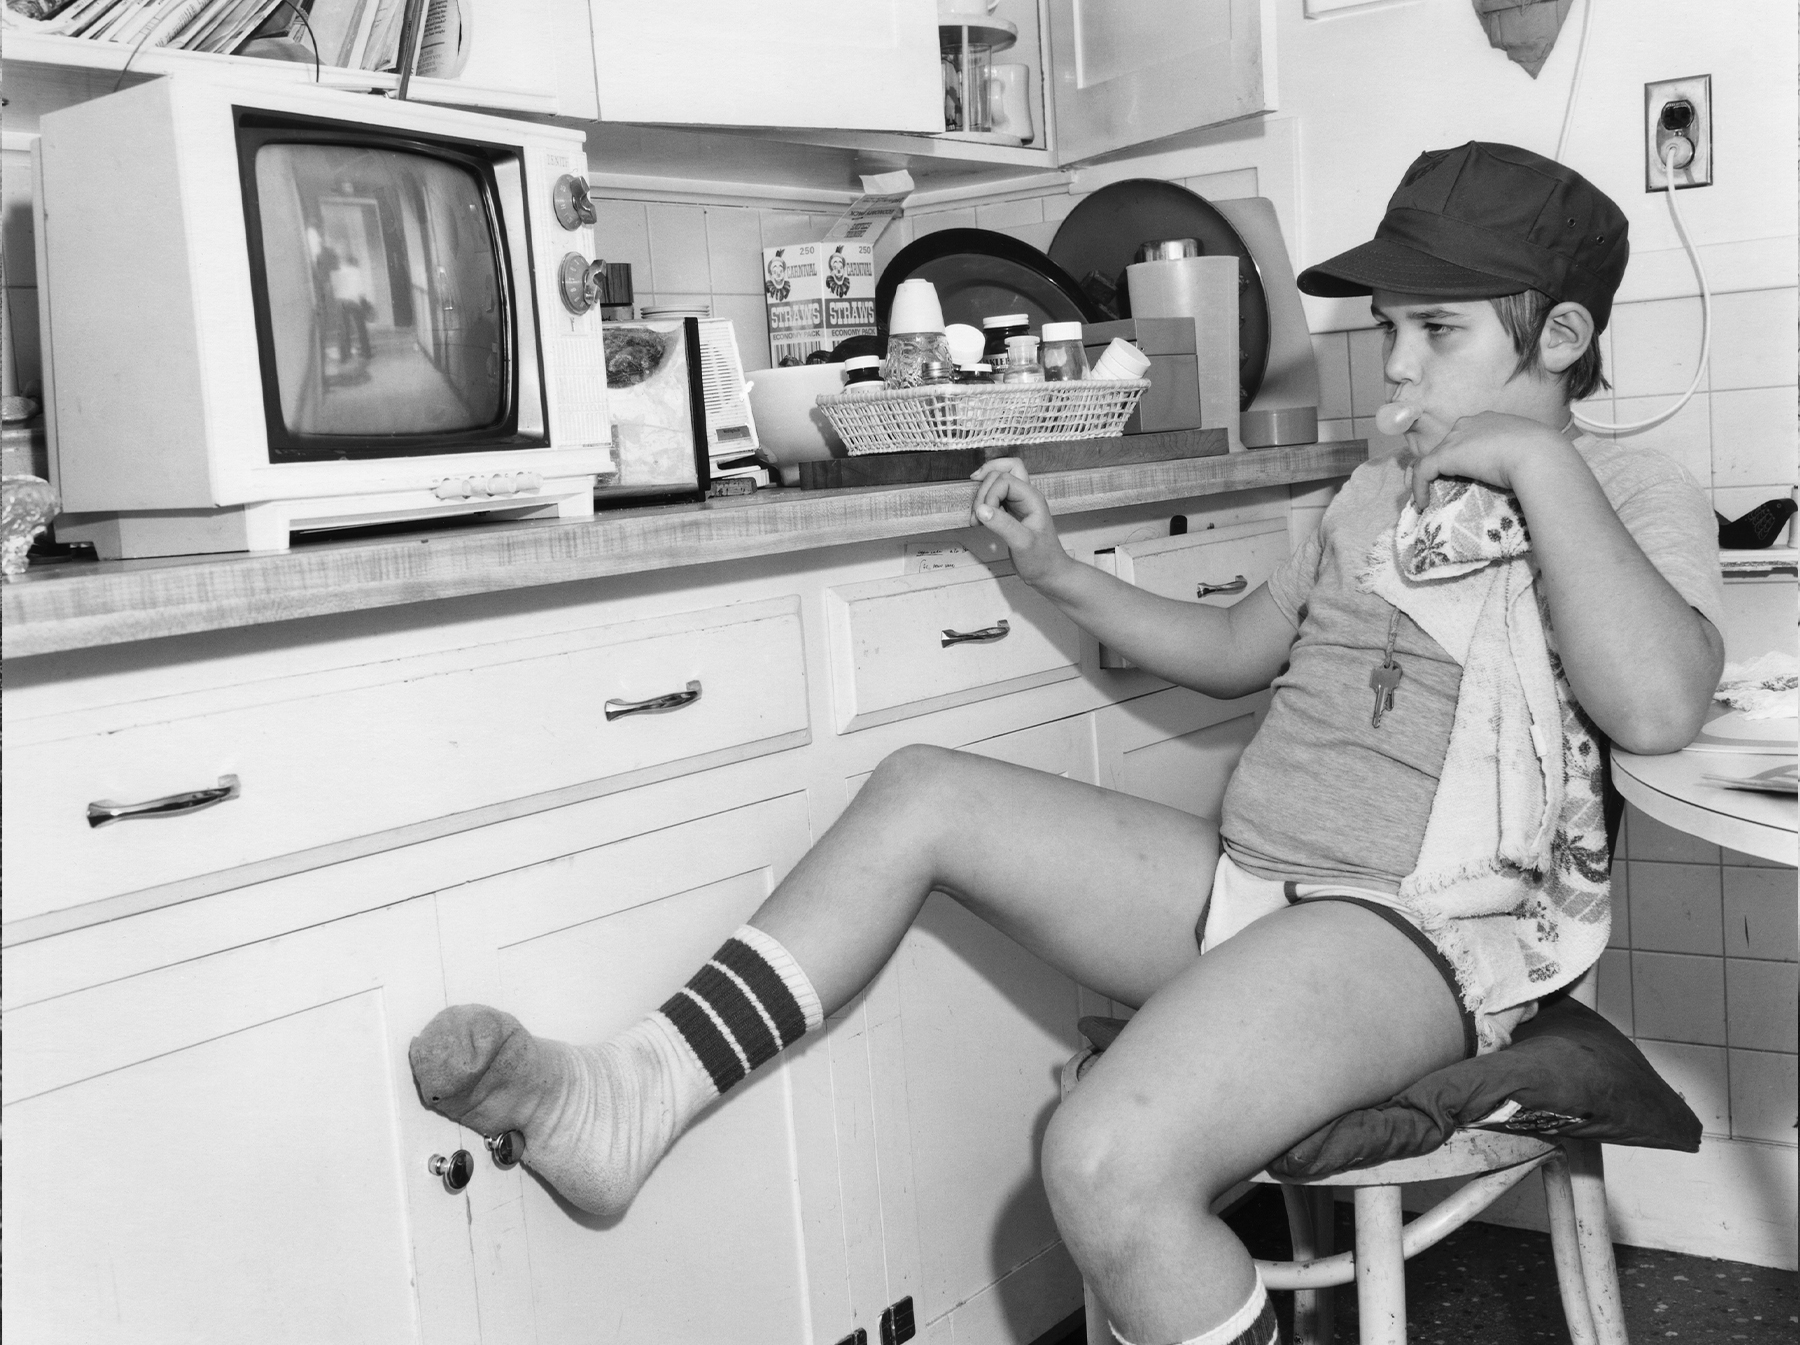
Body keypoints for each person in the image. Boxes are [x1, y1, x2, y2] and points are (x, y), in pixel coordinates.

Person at [409, 143, 1723, 1345]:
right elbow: (1240, 646)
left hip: (1421, 932)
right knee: (921, 791)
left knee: (1105, 1164)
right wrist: (1056, 570)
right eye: (1389, 331)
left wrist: (1542, 470)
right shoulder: (1371, 492)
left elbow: (1658, 706)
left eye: (1436, 332)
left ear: (1562, 335)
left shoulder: (1630, 495)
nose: (1394, 369)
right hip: (1252, 887)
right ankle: (627, 1095)